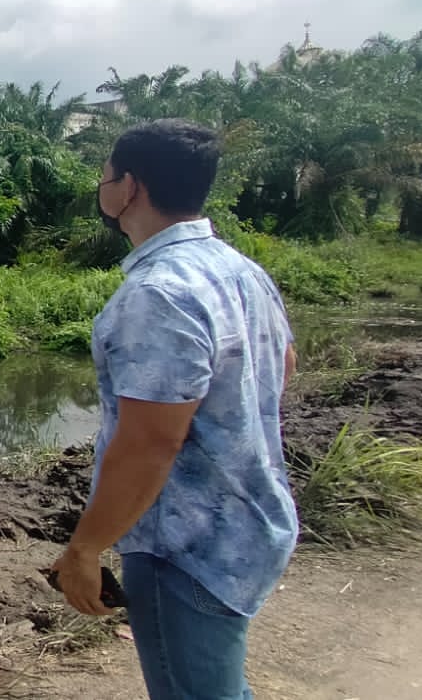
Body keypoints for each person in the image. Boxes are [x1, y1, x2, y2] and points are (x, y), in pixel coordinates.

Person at [49, 120, 299, 700]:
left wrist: (85, 549)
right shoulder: (243, 271)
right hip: (251, 521)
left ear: (128, 187)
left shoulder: (157, 293)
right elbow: (280, 368)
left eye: (105, 175)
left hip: (186, 549)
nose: (101, 185)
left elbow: (149, 443)